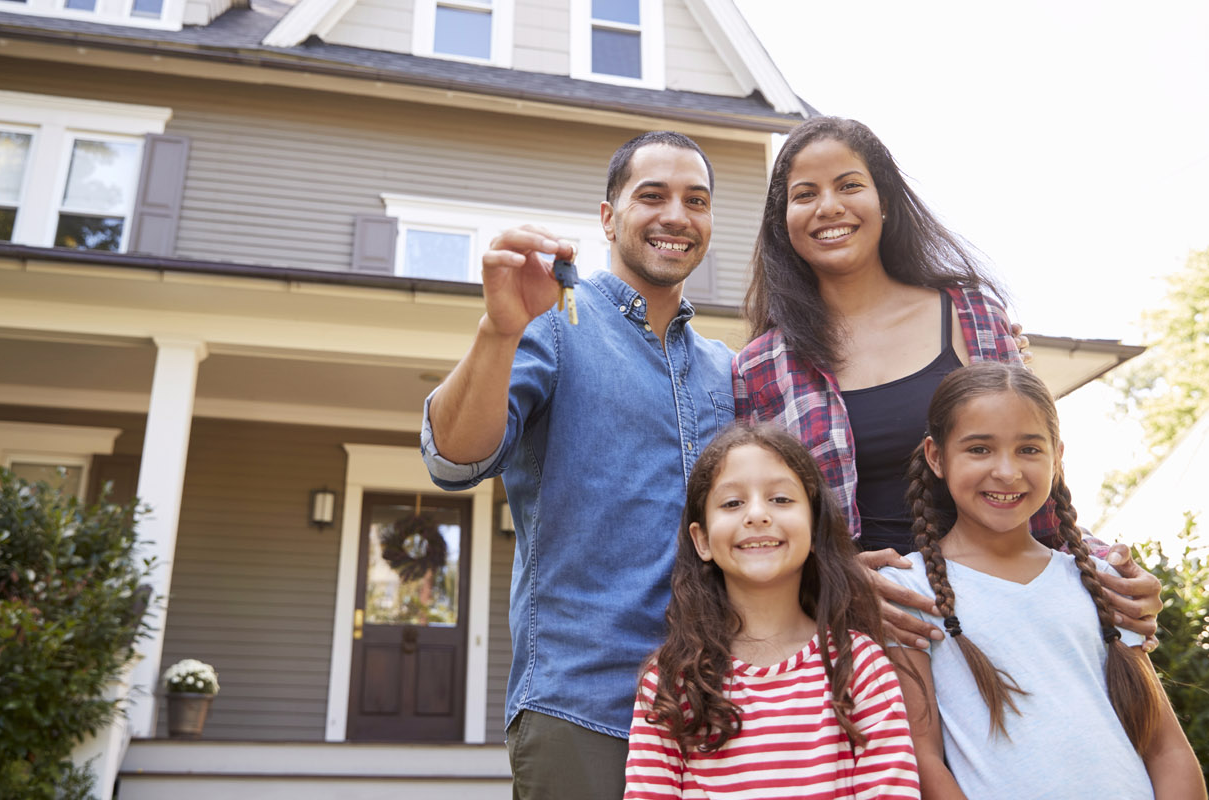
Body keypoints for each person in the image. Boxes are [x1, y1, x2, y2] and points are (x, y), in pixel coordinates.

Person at [732, 116, 1162, 650]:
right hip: (865, 637)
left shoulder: (974, 315)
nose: (829, 207)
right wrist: (834, 582)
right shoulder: (760, 367)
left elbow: (1036, 480)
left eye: (849, 185)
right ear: (784, 220)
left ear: (884, 200)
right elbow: (761, 524)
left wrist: (1109, 571)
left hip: (1001, 615)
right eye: (805, 194)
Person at [421, 131, 733, 799]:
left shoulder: (725, 370)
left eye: (696, 200)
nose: (677, 216)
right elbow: (452, 461)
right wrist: (499, 330)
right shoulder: (554, 324)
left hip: (716, 711)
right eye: (652, 196)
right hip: (586, 708)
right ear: (607, 216)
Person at [881, 362, 1204, 800]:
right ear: (937, 457)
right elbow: (923, 756)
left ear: (1057, 457)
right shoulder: (908, 588)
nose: (1007, 472)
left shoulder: (1100, 580)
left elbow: (1165, 748)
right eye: (979, 449)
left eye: (1029, 450)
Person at [623, 423, 920, 799]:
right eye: (732, 503)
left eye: (780, 499)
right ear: (701, 540)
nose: (757, 514)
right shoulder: (671, 680)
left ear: (814, 526)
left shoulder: (859, 664)